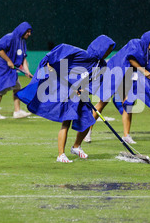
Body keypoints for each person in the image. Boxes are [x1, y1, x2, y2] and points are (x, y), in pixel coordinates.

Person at [17, 35, 115, 163]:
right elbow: (61, 50)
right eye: (107, 49)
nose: (108, 52)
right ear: (101, 47)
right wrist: (50, 64)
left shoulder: (101, 65)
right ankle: (60, 155)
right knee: (66, 122)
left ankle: (76, 146)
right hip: (67, 95)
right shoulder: (81, 54)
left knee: (88, 120)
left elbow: (95, 82)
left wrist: (85, 90)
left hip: (81, 96)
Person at [85, 30, 150, 144]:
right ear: (149, 39)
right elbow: (130, 58)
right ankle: (86, 132)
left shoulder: (149, 55)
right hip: (114, 72)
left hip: (125, 77)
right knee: (102, 103)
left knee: (128, 103)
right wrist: (143, 70)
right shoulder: (135, 43)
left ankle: (126, 136)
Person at [0, 22, 33, 119]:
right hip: (0, 68)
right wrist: (8, 61)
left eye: (30, 32)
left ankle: (17, 111)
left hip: (10, 69)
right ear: (22, 30)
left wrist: (27, 71)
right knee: (0, 90)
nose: (29, 34)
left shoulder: (22, 42)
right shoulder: (9, 37)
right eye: (28, 31)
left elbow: (23, 58)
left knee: (17, 87)